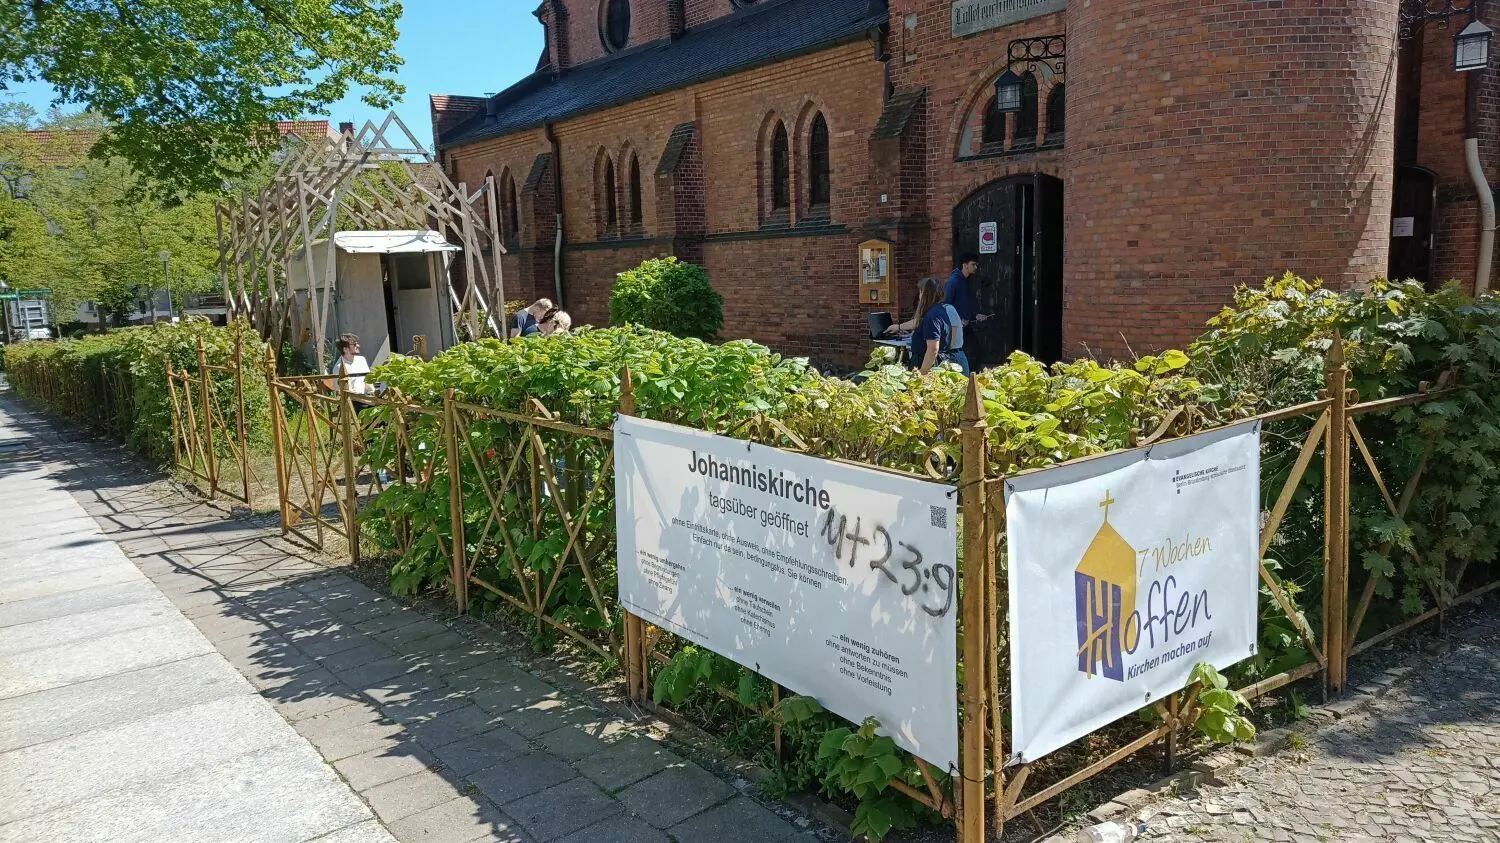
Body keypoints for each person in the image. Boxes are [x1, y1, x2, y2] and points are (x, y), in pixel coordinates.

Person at [944, 253, 990, 328]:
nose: (976, 267)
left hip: (964, 326)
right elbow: (945, 305)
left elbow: (962, 305)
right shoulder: (954, 282)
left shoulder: (965, 280)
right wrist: (957, 320)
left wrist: (975, 316)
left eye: (976, 265)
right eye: (973, 264)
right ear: (965, 265)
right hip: (955, 328)